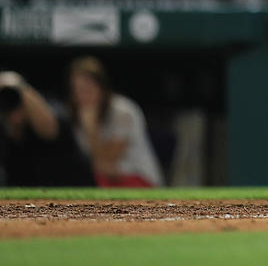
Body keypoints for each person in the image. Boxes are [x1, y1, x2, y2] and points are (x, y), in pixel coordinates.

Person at [67, 56, 164, 187]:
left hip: (138, 178)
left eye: (89, 88)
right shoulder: (77, 117)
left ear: (101, 89)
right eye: (79, 90)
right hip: (103, 180)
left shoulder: (123, 111)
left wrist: (91, 129)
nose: (84, 95)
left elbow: (108, 161)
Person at [0, 70, 95, 186]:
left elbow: (49, 130)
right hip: (23, 189)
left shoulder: (50, 104)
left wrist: (18, 86)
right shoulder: (5, 122)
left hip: (69, 186)